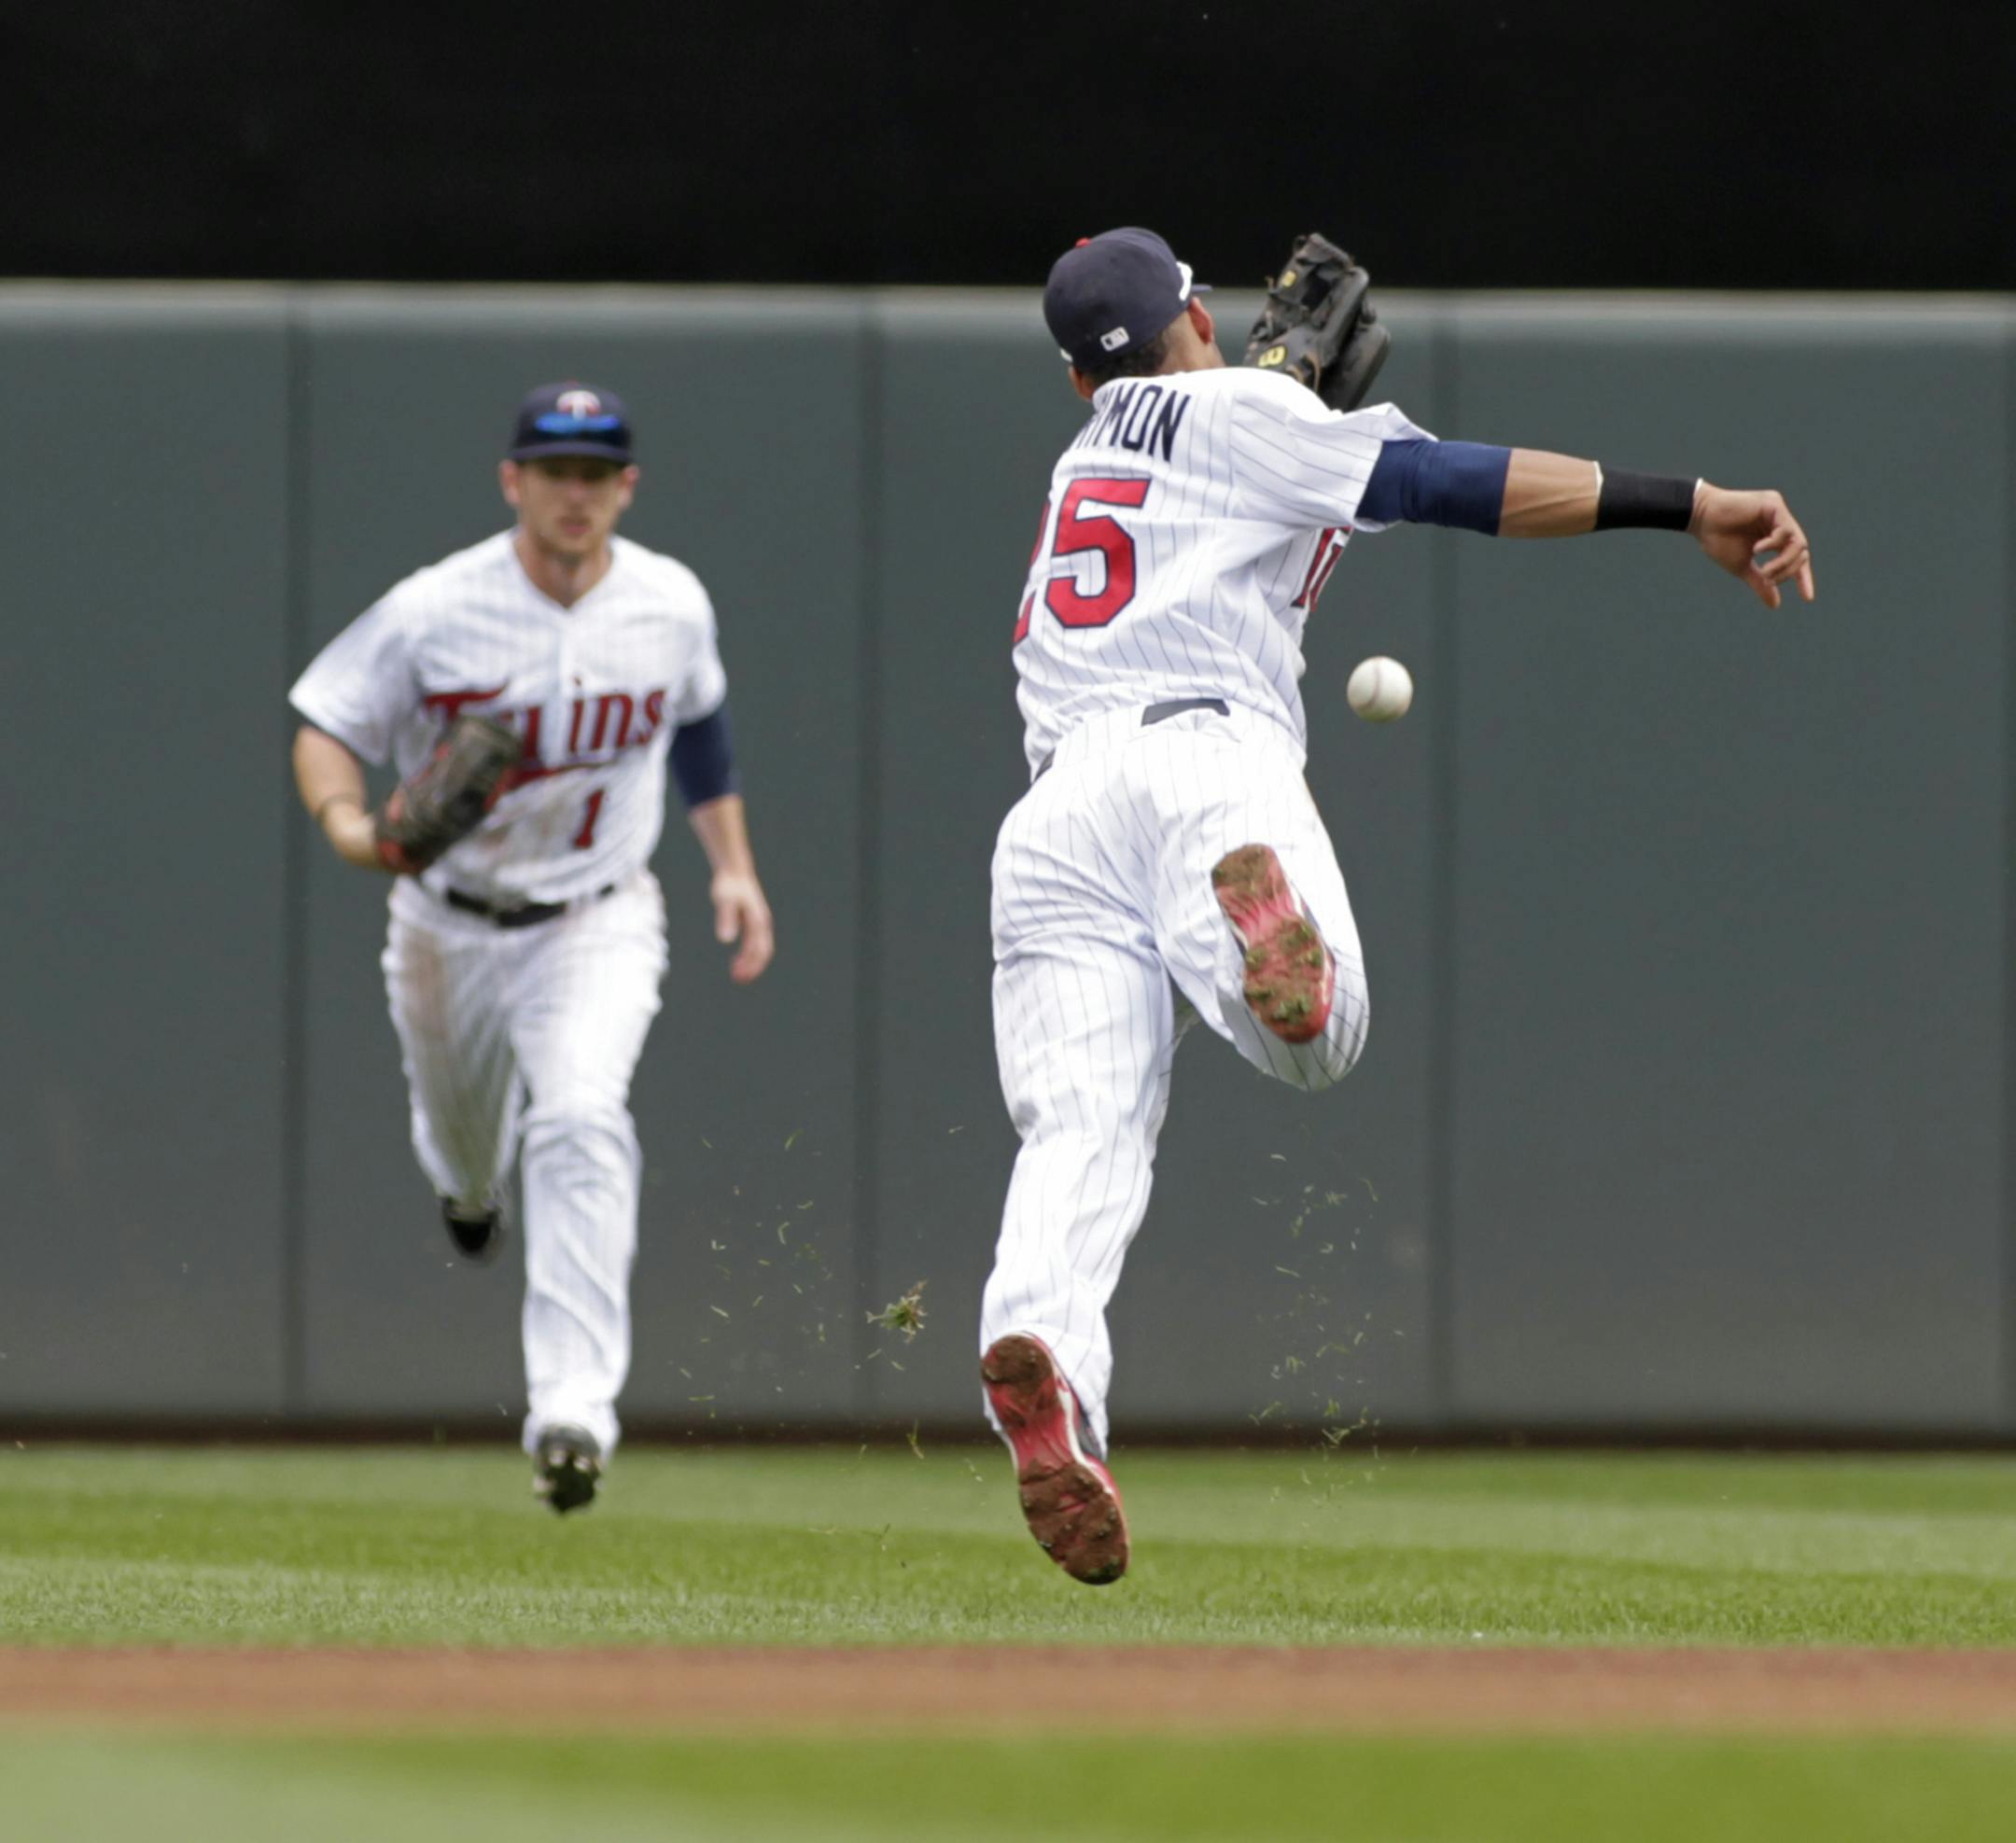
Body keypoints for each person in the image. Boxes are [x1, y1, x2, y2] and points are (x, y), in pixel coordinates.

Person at [979, 229, 1814, 1585]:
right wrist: (1691, 499)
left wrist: (1294, 406)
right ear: (1198, 308)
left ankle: (1045, 1367)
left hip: (1057, 816)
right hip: (1204, 765)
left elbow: (1232, 468)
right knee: (1322, 1040)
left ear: (1080, 381)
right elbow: (1437, 478)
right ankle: (1268, 926)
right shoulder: (1254, 410)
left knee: (1077, 1131)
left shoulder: (1083, 458)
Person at [288, 382, 775, 1513]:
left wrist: (734, 866)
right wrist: (352, 829)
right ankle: (468, 1192)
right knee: (464, 1147)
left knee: (579, 1118)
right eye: (554, 470)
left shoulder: (669, 602)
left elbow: (699, 726)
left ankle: (572, 1409)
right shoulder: (434, 607)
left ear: (626, 487)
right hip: (447, 921)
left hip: (597, 917)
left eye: (595, 472)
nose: (575, 491)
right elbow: (326, 723)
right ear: (514, 480)